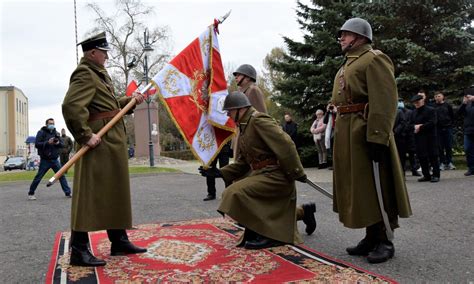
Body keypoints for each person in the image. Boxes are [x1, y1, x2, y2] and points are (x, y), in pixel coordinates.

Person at [330, 18, 412, 264]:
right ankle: (370, 236)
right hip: (349, 133)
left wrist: (378, 137)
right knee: (362, 188)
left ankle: (385, 239)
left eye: (345, 34)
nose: (341, 39)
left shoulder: (374, 58)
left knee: (379, 185)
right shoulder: (347, 64)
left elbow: (385, 100)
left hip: (366, 132)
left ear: (360, 37)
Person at [62, 32, 147, 267]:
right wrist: (84, 135)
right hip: (98, 143)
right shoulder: (85, 73)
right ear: (92, 53)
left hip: (111, 142)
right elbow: (71, 106)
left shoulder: (99, 73)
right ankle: (79, 250)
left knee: (115, 191)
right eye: (104, 52)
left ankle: (118, 240)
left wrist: (129, 101)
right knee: (89, 195)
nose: (108, 56)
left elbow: (107, 107)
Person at [200, 91, 316, 250]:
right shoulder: (245, 126)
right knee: (237, 193)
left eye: (230, 110)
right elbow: (243, 163)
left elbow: (286, 144)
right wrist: (220, 173)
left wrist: (297, 171)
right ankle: (293, 217)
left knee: (234, 193)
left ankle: (272, 236)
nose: (227, 114)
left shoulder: (258, 120)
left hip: (277, 175)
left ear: (240, 109)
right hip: (263, 174)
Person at [27, 118, 72, 200]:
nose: (52, 125)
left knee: (61, 175)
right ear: (46, 124)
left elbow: (61, 144)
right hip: (45, 160)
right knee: (39, 177)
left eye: (53, 123)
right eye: (50, 123)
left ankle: (68, 192)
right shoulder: (41, 132)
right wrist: (47, 142)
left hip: (55, 159)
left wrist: (57, 143)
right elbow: (37, 144)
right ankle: (31, 193)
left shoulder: (56, 133)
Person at [411, 94, 441, 182]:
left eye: (418, 102)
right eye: (415, 103)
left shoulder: (431, 110)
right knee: (422, 157)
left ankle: (436, 175)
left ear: (422, 101)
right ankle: (426, 175)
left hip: (430, 137)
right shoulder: (413, 112)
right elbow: (408, 124)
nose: (416, 104)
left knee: (433, 156)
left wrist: (420, 127)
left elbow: (433, 122)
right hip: (419, 138)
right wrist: (414, 127)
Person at [434, 92, 455, 170]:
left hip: (448, 128)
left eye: (439, 96)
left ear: (443, 96)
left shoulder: (448, 106)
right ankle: (442, 163)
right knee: (440, 147)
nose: (437, 97)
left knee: (448, 146)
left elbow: (452, 116)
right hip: (438, 129)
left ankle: (449, 162)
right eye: (436, 96)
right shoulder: (433, 106)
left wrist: (450, 124)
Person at [457, 88, 474, 176]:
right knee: (468, 149)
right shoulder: (467, 104)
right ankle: (471, 168)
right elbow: (459, 113)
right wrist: (463, 103)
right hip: (468, 130)